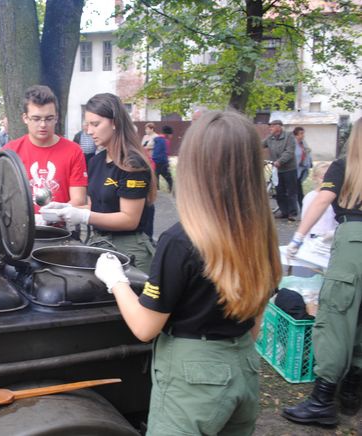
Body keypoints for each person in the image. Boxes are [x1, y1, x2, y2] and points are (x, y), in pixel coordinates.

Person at [94, 110, 281, 434]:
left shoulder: (180, 241)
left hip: (194, 378)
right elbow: (255, 322)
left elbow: (144, 327)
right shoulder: (261, 231)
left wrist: (116, 280)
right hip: (244, 364)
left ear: (195, 167)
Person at [283, 117, 362, 425]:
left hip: (353, 240)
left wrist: (299, 237)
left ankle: (323, 399)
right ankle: (351, 391)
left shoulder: (346, 166)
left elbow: (322, 200)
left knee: (335, 317)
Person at [41, 93, 156, 272]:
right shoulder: (96, 161)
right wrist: (63, 210)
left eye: (96, 124)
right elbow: (97, 208)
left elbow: (129, 219)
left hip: (130, 249)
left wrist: (84, 217)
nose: (89, 131)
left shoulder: (132, 164)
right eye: (88, 125)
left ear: (115, 122)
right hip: (99, 243)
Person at [3, 85, 87, 211]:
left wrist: (54, 215)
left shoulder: (73, 151)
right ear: (25, 118)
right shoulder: (10, 152)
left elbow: (78, 199)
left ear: (56, 118)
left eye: (49, 118)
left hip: (61, 227)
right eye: (36, 119)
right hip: (20, 227)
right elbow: (3, 196)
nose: (43, 125)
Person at [263, 119, 298, 221]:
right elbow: (261, 144)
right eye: (270, 126)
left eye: (272, 126)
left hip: (289, 169)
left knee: (291, 191)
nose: (271, 128)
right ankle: (284, 211)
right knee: (279, 191)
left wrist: (280, 161)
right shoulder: (270, 138)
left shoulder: (289, 136)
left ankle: (292, 213)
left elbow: (289, 151)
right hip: (277, 170)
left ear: (279, 127)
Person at [301, 161, 337, 237]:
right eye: (323, 178)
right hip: (315, 235)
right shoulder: (310, 197)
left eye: (329, 178)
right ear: (315, 178)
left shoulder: (335, 196)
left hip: (332, 235)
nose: (326, 181)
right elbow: (305, 217)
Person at [294, 126, 313, 207]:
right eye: (301, 134)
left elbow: (307, 152)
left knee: (298, 187)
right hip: (294, 168)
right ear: (296, 135)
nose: (303, 135)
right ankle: (300, 205)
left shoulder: (303, 143)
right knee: (297, 189)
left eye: (303, 133)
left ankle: (301, 205)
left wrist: (309, 162)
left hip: (302, 168)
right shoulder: (293, 143)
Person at [152, 125, 174, 192]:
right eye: (171, 134)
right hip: (162, 162)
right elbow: (164, 153)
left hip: (155, 162)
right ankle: (171, 190)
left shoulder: (157, 139)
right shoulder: (164, 141)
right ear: (168, 134)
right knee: (169, 178)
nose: (171, 136)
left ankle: (157, 190)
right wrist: (166, 161)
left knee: (156, 178)